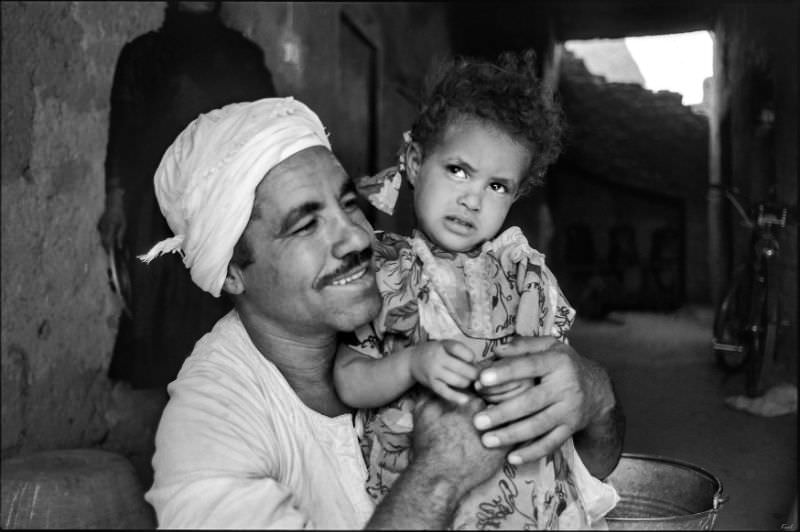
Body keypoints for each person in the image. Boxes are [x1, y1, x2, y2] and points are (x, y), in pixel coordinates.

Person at [141, 96, 624, 528]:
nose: (356, 238)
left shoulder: (423, 295)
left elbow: (586, 473)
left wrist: (595, 399)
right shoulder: (210, 429)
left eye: (350, 206)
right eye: (306, 226)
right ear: (230, 272)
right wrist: (439, 475)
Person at [335, 50, 619, 529]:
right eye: (458, 171)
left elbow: (560, 378)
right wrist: (410, 364)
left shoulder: (524, 276)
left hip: (525, 499)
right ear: (414, 161)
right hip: (428, 499)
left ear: (516, 196)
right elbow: (346, 376)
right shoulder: (381, 270)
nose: (472, 199)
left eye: (497, 186)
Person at [99, 0, 277, 388]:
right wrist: (115, 202)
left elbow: (267, 135)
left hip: (225, 209)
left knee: (218, 322)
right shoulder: (141, 55)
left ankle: (225, 427)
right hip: (157, 212)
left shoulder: (244, 57)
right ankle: (173, 431)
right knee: (162, 331)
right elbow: (124, 134)